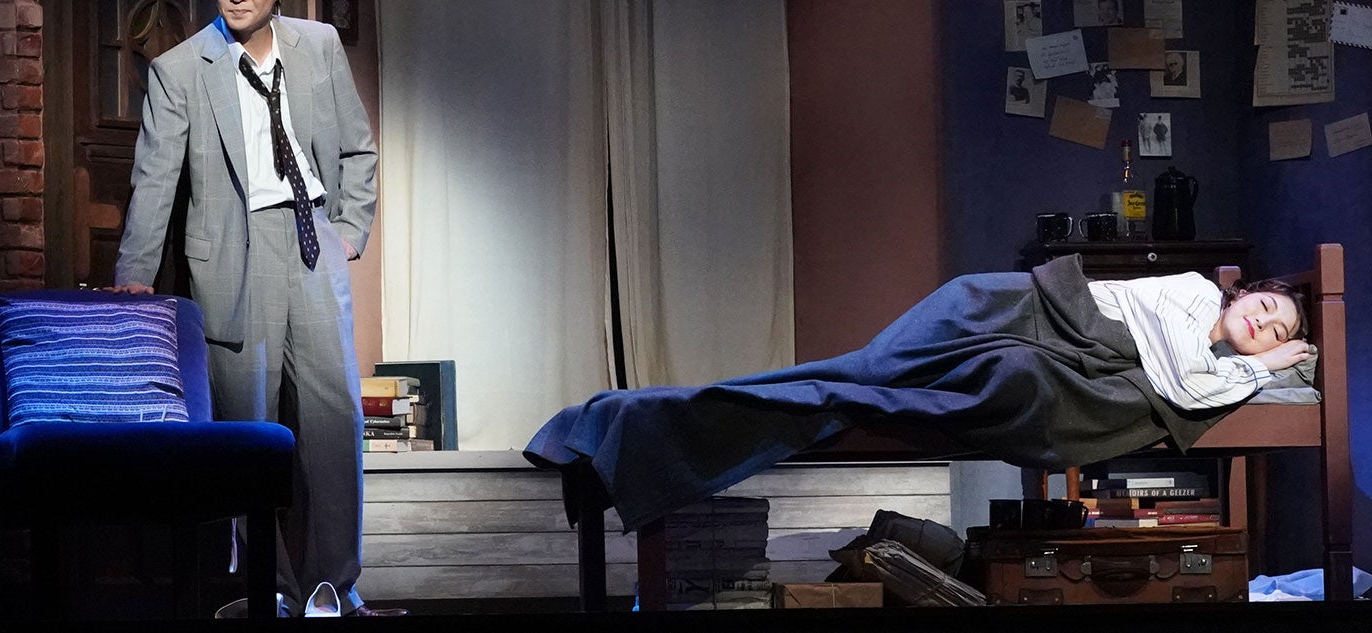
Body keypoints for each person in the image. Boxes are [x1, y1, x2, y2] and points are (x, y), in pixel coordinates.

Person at [525, 256, 1310, 532]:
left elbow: (1186, 385)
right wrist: (1262, 362)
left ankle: (619, 429)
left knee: (838, 394)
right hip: (1012, 310)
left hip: (1032, 364)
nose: (1264, 326)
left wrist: (1264, 369)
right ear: (1245, 292)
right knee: (854, 375)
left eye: (1277, 333)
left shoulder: (1231, 375)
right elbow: (1157, 350)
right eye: (1268, 306)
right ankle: (617, 428)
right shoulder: (1189, 289)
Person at [111, 0, 400, 617]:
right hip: (232, 256)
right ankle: (273, 587)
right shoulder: (181, 69)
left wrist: (349, 231)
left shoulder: (318, 45)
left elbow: (358, 149)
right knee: (249, 426)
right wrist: (135, 270)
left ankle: (334, 585)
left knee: (332, 421)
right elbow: (155, 178)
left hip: (311, 237)